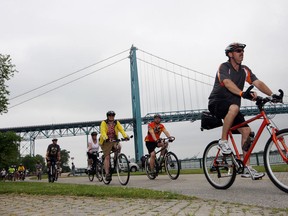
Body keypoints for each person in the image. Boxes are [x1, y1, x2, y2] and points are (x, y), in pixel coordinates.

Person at [208, 42, 281, 179]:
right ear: (230, 54)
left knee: (247, 131)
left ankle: (246, 167)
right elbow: (228, 84)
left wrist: (271, 95)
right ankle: (223, 141)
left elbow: (257, 83)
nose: (242, 53)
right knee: (234, 107)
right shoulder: (224, 67)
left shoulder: (245, 70)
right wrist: (242, 94)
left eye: (242, 51)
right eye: (238, 50)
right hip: (217, 103)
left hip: (232, 108)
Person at [99, 111, 129, 181]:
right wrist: (106, 138)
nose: (111, 117)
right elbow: (102, 131)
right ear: (107, 116)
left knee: (119, 146)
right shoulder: (104, 122)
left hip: (114, 140)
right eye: (110, 115)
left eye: (113, 115)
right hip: (106, 141)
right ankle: (107, 174)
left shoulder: (116, 122)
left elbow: (121, 130)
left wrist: (125, 136)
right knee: (107, 157)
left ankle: (116, 159)